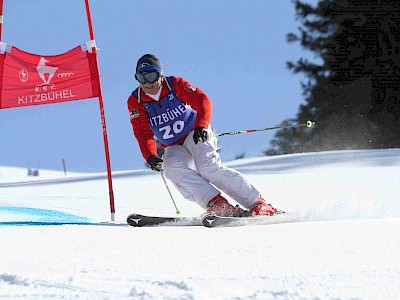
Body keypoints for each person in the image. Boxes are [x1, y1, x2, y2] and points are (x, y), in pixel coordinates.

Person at [127, 54, 279, 217]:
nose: (147, 83)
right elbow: (142, 132)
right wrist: (150, 156)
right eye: (141, 78)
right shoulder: (136, 101)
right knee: (170, 168)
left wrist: (201, 126)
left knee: (208, 168)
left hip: (195, 133)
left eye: (151, 76)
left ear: (160, 74)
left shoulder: (174, 84)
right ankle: (218, 204)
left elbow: (202, 100)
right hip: (173, 145)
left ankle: (257, 202)